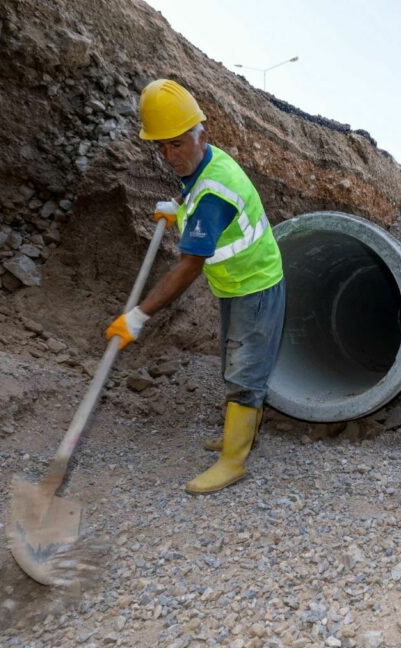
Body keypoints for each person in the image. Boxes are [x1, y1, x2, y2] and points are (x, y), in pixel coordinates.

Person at [105, 79, 285, 495]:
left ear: (200, 133)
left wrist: (138, 315)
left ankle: (233, 461)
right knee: (233, 357)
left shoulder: (213, 194)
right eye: (162, 147)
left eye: (178, 145)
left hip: (255, 285)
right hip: (234, 284)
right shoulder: (206, 162)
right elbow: (197, 193)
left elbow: (188, 268)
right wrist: (178, 209)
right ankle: (239, 435)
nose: (169, 157)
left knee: (245, 369)